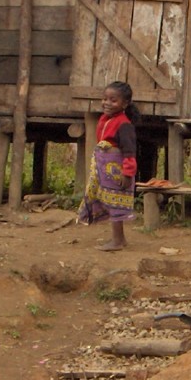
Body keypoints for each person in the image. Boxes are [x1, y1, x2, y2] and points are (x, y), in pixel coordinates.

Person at [78, 80, 139, 252]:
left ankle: (118, 241)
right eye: (105, 99)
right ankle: (118, 239)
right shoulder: (106, 119)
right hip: (105, 169)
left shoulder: (124, 124)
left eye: (113, 100)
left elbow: (129, 151)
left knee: (115, 205)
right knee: (108, 201)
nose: (107, 103)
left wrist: (127, 173)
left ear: (125, 104)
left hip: (117, 171)